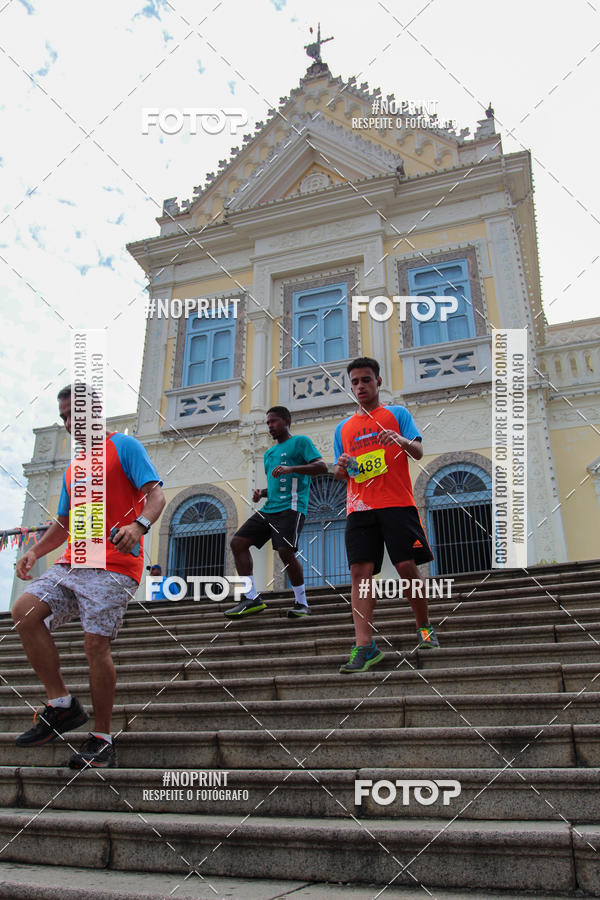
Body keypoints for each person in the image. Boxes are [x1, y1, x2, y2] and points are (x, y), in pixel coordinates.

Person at [12, 384, 165, 767]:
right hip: (73, 562)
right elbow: (62, 526)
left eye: (73, 414)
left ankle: (101, 738)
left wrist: (140, 526)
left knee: (95, 644)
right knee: (24, 611)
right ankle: (62, 703)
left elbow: (156, 496)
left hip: (115, 565)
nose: (68, 423)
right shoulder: (73, 469)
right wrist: (34, 550)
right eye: (62, 417)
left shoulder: (124, 447)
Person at [333, 357, 439, 673]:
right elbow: (342, 473)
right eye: (355, 382)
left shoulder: (397, 414)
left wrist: (401, 440)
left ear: (378, 382)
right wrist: (340, 468)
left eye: (366, 380)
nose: (360, 386)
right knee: (359, 576)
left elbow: (418, 451)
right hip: (359, 509)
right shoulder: (343, 428)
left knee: (406, 566)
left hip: (397, 503)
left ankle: (424, 628)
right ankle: (365, 647)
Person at [225, 406, 327, 619]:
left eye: (274, 421)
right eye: (268, 422)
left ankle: (302, 603)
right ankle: (251, 598)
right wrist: (260, 493)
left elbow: (321, 467)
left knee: (285, 551)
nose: (270, 426)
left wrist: (292, 468)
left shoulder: (301, 443)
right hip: (270, 508)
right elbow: (277, 484)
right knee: (238, 542)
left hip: (292, 507)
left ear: (286, 421)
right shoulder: (269, 453)